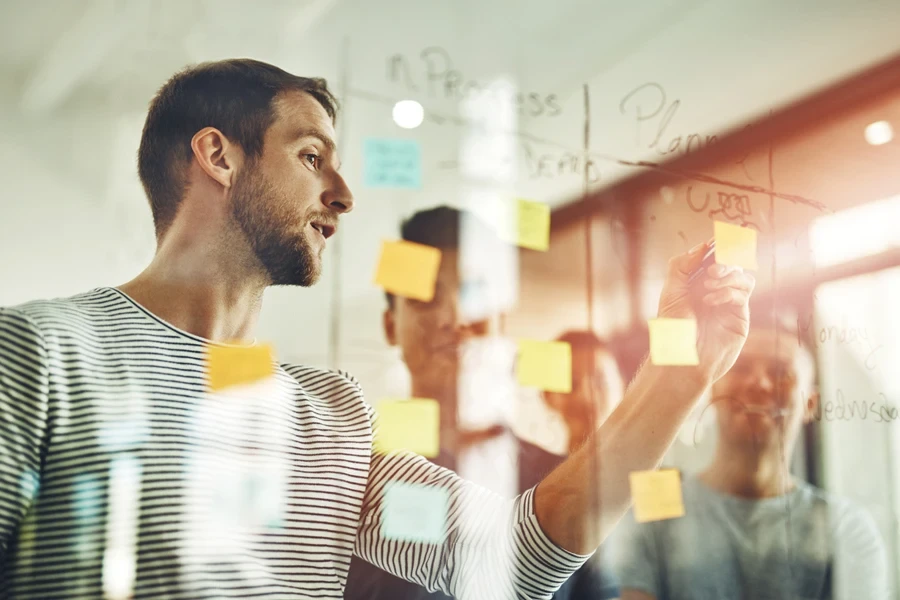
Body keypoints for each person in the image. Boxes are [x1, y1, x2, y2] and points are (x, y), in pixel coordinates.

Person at [0, 58, 756, 599]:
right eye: (312, 156)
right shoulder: (39, 352)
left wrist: (681, 368)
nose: (345, 194)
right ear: (217, 156)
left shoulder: (330, 413)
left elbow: (519, 560)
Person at [344, 207, 623, 600]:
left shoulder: (562, 482)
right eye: (425, 297)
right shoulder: (352, 481)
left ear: (500, 319)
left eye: (473, 294)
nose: (454, 316)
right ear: (391, 326)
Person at [612, 313, 890, 599]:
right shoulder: (653, 514)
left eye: (781, 372)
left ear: (810, 404)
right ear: (712, 389)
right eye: (740, 368)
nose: (759, 383)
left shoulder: (846, 528)